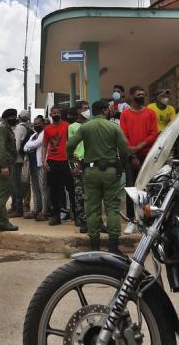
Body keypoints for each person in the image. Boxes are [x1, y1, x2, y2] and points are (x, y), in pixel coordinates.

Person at [67, 100, 130, 253]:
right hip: (110, 171)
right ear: (104, 110)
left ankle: (94, 246)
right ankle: (113, 246)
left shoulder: (85, 127)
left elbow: (70, 145)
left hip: (90, 172)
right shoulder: (113, 127)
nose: (110, 111)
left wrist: (72, 160)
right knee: (112, 208)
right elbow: (124, 149)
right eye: (108, 109)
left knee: (92, 209)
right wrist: (121, 165)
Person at [120, 86, 159, 223]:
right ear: (131, 97)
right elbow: (123, 135)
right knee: (131, 186)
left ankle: (146, 215)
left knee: (148, 185)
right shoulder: (125, 114)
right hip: (130, 156)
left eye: (143, 94)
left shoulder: (151, 113)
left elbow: (154, 134)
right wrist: (133, 154)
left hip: (147, 155)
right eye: (138, 94)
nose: (142, 96)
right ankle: (131, 217)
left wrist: (139, 146)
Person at [42, 106, 74, 226]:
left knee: (71, 187)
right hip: (52, 161)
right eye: (53, 113)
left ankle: (75, 214)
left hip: (65, 160)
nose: (55, 114)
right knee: (54, 189)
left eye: (57, 113)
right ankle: (56, 216)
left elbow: (71, 142)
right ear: (50, 115)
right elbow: (44, 145)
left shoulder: (67, 125)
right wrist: (44, 161)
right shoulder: (47, 129)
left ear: (60, 114)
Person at [0, 109, 20, 232]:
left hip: (6, 164)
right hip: (5, 165)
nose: (16, 118)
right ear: (8, 117)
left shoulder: (5, 129)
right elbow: (1, 148)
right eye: (14, 116)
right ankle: (2, 222)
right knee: (2, 195)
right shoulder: (3, 129)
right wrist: (3, 166)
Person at [24, 115, 50, 221]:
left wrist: (30, 146)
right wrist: (30, 146)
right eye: (35, 124)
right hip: (33, 165)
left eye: (39, 124)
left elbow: (36, 144)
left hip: (41, 164)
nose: (36, 126)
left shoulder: (44, 133)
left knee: (43, 188)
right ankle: (36, 209)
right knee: (35, 188)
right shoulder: (34, 134)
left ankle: (44, 211)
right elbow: (25, 146)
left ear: (43, 123)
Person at [68, 108, 90, 233]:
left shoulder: (91, 126)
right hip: (78, 162)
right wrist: (73, 165)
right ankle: (82, 220)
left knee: (91, 193)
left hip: (90, 161)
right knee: (79, 192)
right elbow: (70, 145)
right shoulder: (72, 127)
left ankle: (93, 220)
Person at [13, 111, 33, 218]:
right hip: (24, 159)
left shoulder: (19, 128)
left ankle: (18, 208)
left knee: (17, 184)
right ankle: (24, 205)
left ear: (19, 118)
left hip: (17, 159)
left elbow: (16, 146)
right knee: (24, 183)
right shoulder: (29, 128)